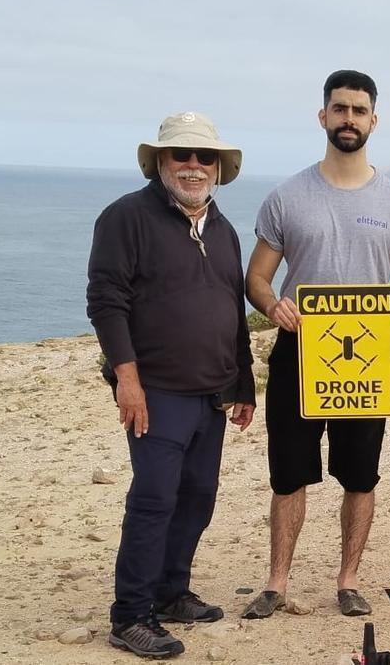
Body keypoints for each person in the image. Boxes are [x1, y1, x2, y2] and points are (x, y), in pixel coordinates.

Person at [240, 70, 390, 619]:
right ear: (323, 116)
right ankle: (276, 583)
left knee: (360, 475)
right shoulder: (287, 197)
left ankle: (348, 581)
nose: (349, 119)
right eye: (340, 108)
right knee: (288, 474)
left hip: (366, 361)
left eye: (359, 110)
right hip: (299, 353)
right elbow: (257, 278)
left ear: (374, 120)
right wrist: (272, 305)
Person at [86, 111, 256, 659]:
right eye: (181, 154)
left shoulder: (225, 231)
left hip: (212, 394)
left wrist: (245, 385)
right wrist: (126, 379)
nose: (193, 165)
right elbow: (106, 301)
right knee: (154, 499)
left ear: (218, 167)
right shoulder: (126, 217)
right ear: (160, 161)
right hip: (155, 391)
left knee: (197, 497)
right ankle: (130, 616)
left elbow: (232, 313)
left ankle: (170, 591)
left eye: (204, 156)